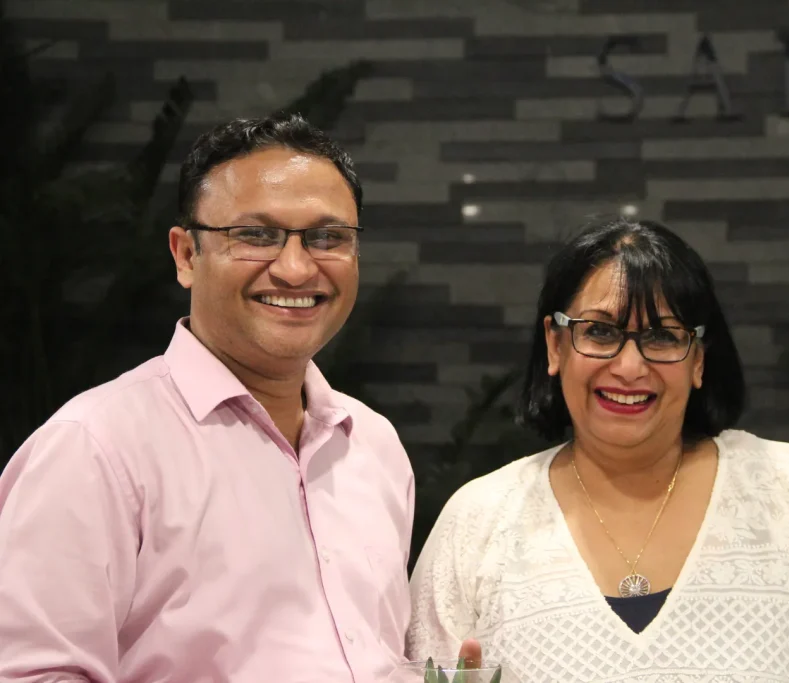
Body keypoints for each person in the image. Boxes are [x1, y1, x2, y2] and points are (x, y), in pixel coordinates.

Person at [0, 113, 479, 682]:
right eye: (256, 236)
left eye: (328, 238)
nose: (296, 268)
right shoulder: (95, 447)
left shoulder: (373, 445)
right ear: (186, 254)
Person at [406, 216, 789, 682]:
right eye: (600, 332)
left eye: (662, 337)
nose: (629, 366)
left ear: (698, 359)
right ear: (555, 344)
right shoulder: (478, 521)